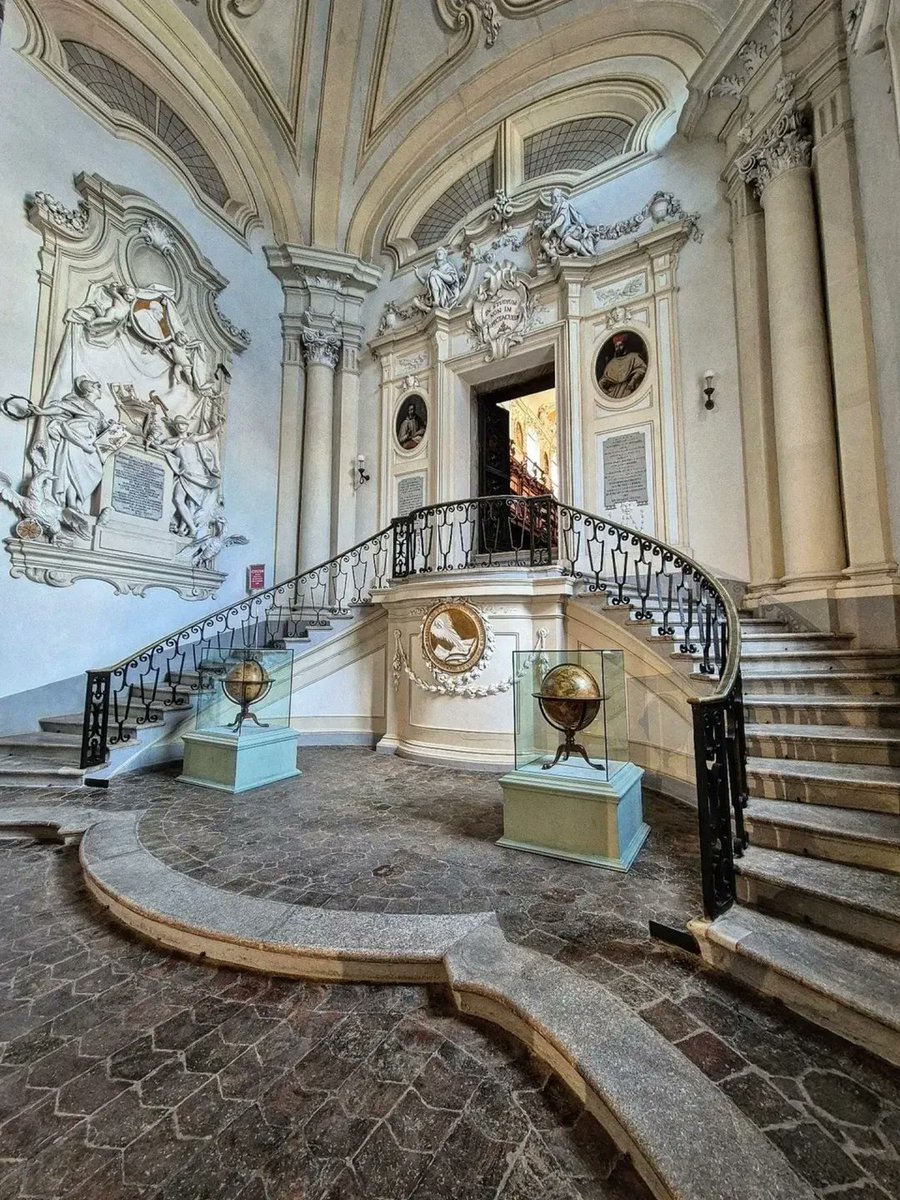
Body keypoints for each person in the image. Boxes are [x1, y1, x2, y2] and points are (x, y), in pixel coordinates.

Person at [36, 377, 126, 512]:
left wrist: (115, 428)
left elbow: (102, 429)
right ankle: (71, 502)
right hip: (76, 435)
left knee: (97, 471)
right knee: (74, 469)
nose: (99, 388)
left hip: (90, 441)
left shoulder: (98, 410)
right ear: (89, 390)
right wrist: (43, 411)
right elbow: (60, 408)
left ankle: (79, 500)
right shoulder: (78, 401)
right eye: (96, 386)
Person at [160, 414, 223, 538]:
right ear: (175, 427)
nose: (180, 426)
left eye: (183, 424)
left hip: (198, 474)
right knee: (177, 499)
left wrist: (220, 423)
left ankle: (185, 528)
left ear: (187, 425)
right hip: (183, 474)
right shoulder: (172, 442)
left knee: (191, 502)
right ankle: (192, 528)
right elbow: (160, 448)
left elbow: (210, 434)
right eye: (178, 424)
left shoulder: (193, 438)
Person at [598, 334, 647, 398]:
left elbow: (642, 368)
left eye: (620, 345)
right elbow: (605, 378)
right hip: (614, 391)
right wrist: (602, 387)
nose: (618, 348)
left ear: (625, 346)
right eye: (616, 346)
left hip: (629, 387)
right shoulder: (612, 362)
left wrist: (633, 381)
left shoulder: (633, 356)